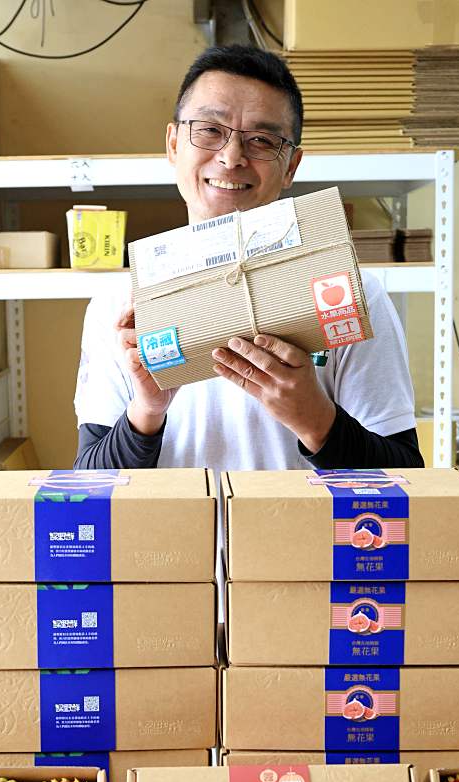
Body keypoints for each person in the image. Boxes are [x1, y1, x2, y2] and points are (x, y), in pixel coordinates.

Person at [75, 45, 422, 471]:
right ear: (172, 144)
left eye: (261, 140)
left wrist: (316, 420)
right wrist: (146, 411)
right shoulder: (119, 307)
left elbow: (403, 478)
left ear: (291, 165)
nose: (232, 157)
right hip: (174, 540)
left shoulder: (349, 293)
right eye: (208, 130)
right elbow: (89, 485)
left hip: (300, 538)